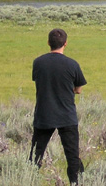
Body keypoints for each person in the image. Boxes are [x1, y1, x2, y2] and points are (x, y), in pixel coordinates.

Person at [29, 28, 87, 185]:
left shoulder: (38, 62)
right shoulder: (72, 64)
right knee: (72, 157)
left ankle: (27, 180)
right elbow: (79, 89)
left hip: (43, 115)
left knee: (35, 156)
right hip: (66, 116)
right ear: (65, 43)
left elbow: (39, 81)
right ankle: (76, 183)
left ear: (48, 43)